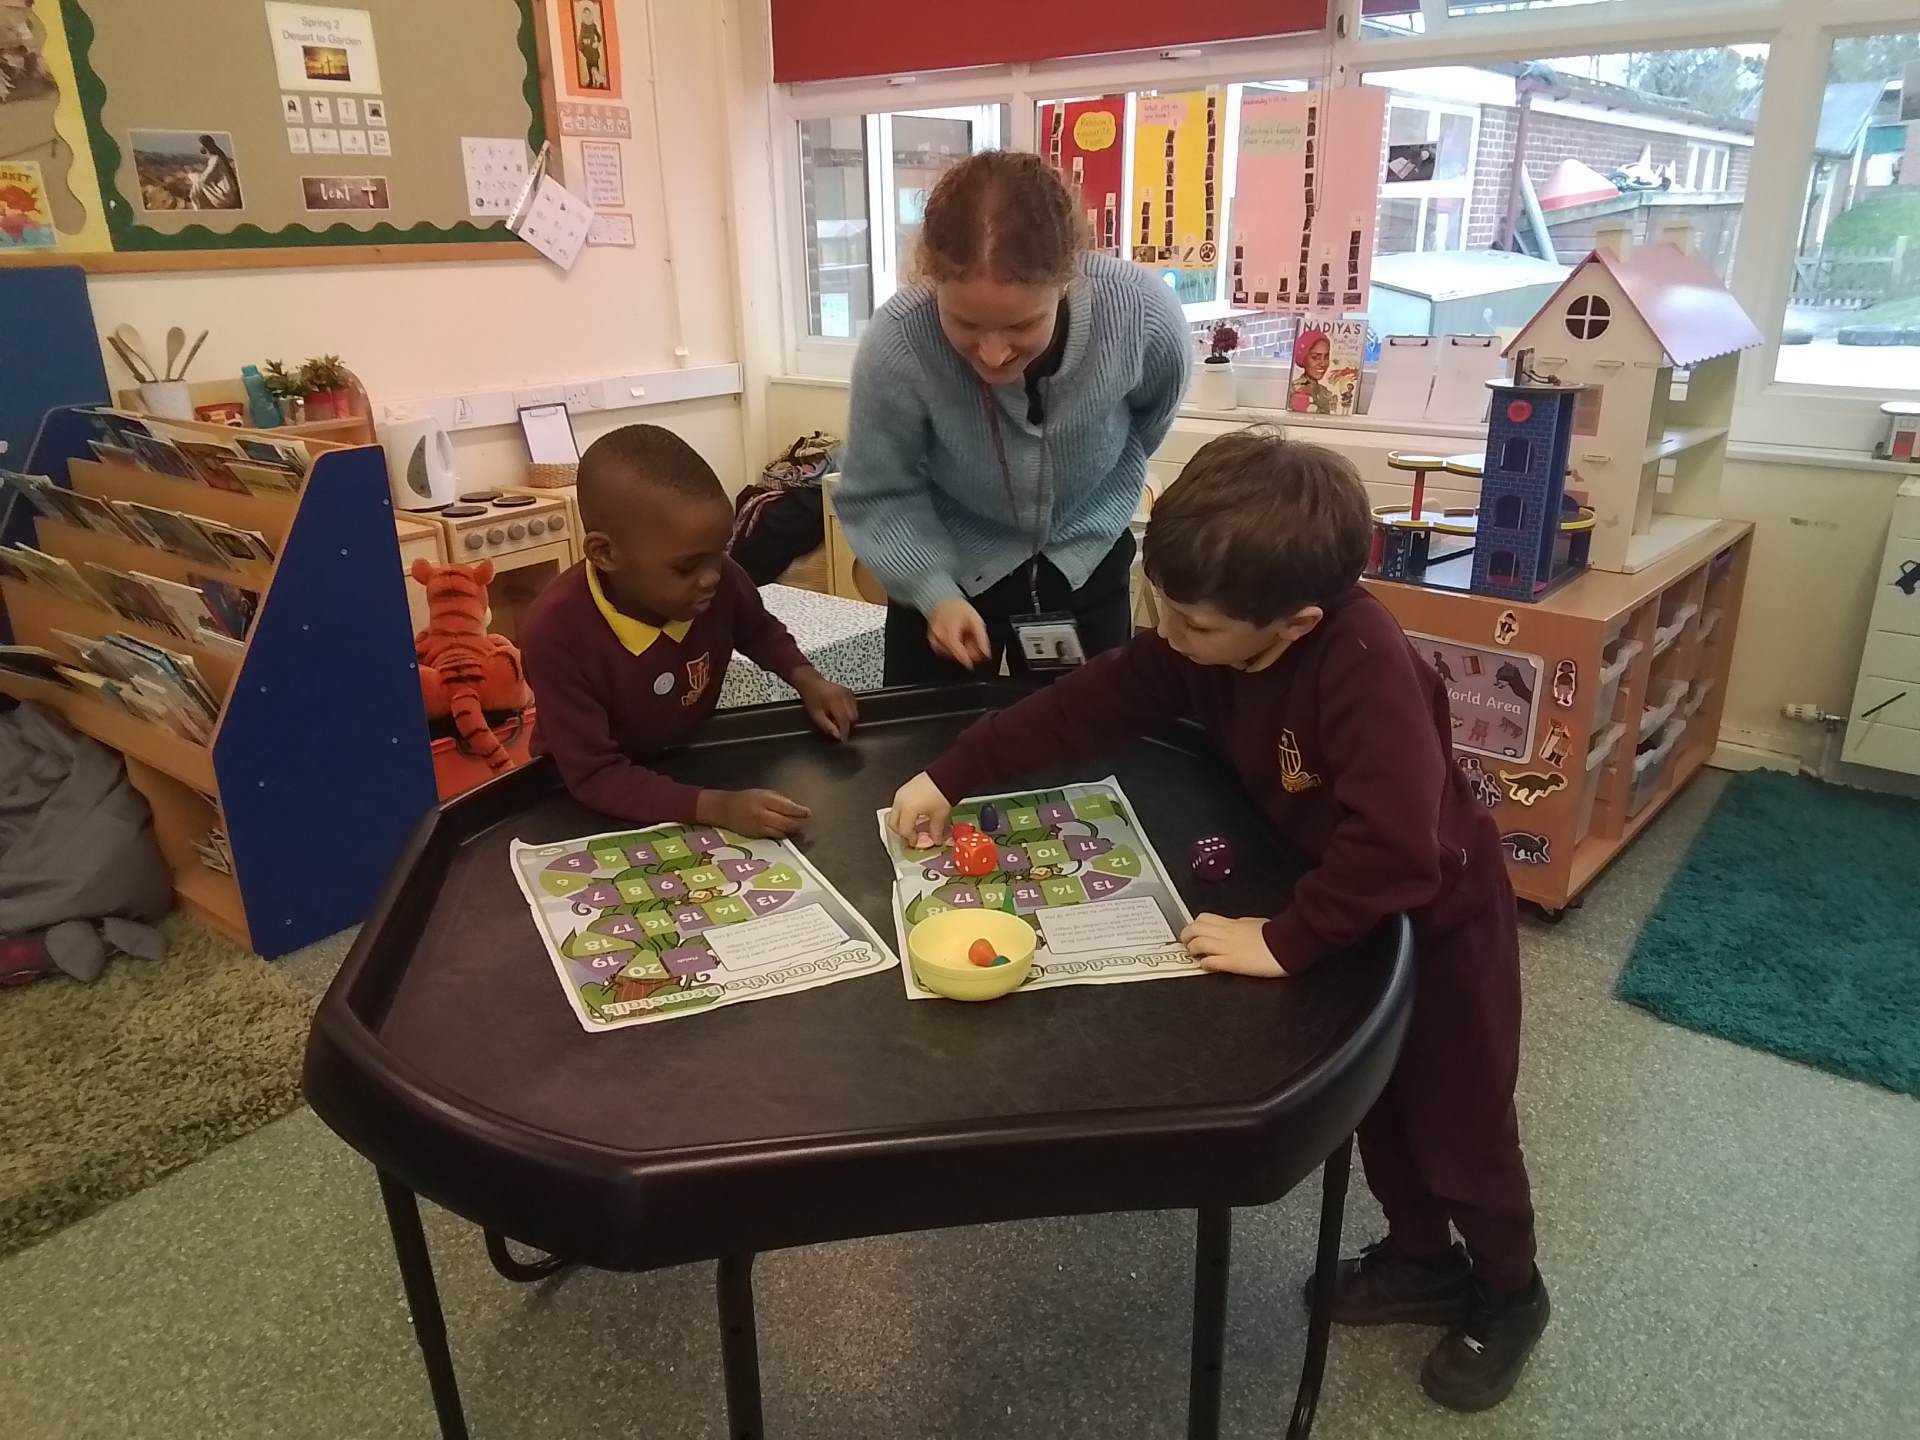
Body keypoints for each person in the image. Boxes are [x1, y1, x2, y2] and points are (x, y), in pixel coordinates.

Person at [886, 431, 1549, 1413]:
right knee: (1381, 1113)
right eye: (1159, 604)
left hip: (1441, 922)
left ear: (1295, 623)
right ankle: (1423, 1260)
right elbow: (1089, 703)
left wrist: (1285, 938)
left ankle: (1507, 1288)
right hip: (1348, 903)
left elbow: (1398, 851)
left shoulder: (1366, 669)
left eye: (1191, 623)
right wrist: (954, 772)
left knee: (1457, 1122)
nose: (1166, 633)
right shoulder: (1203, 637)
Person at [836, 150, 1191, 685]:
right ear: (932, 281)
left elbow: (1146, 423)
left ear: (1067, 278)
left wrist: (1092, 488)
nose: (994, 353)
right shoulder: (899, 339)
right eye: (964, 324)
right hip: (946, 564)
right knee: (927, 725)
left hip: (1085, 559)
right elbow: (879, 490)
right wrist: (933, 592)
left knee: (1086, 725)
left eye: (1022, 325)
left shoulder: (1140, 312)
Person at [522, 424, 859, 838]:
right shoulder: (555, 632)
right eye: (686, 567)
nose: (711, 577)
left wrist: (807, 679)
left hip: (685, 761)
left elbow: (757, 630)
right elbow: (594, 774)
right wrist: (718, 807)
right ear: (605, 553)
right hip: (579, 801)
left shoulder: (721, 580)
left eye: (720, 552)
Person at [188, 135, 240, 210]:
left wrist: (190, 174)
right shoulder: (215, 158)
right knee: (197, 178)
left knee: (196, 178)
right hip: (226, 194)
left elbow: (204, 179)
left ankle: (196, 205)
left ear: (205, 146)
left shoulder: (215, 159)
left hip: (225, 196)